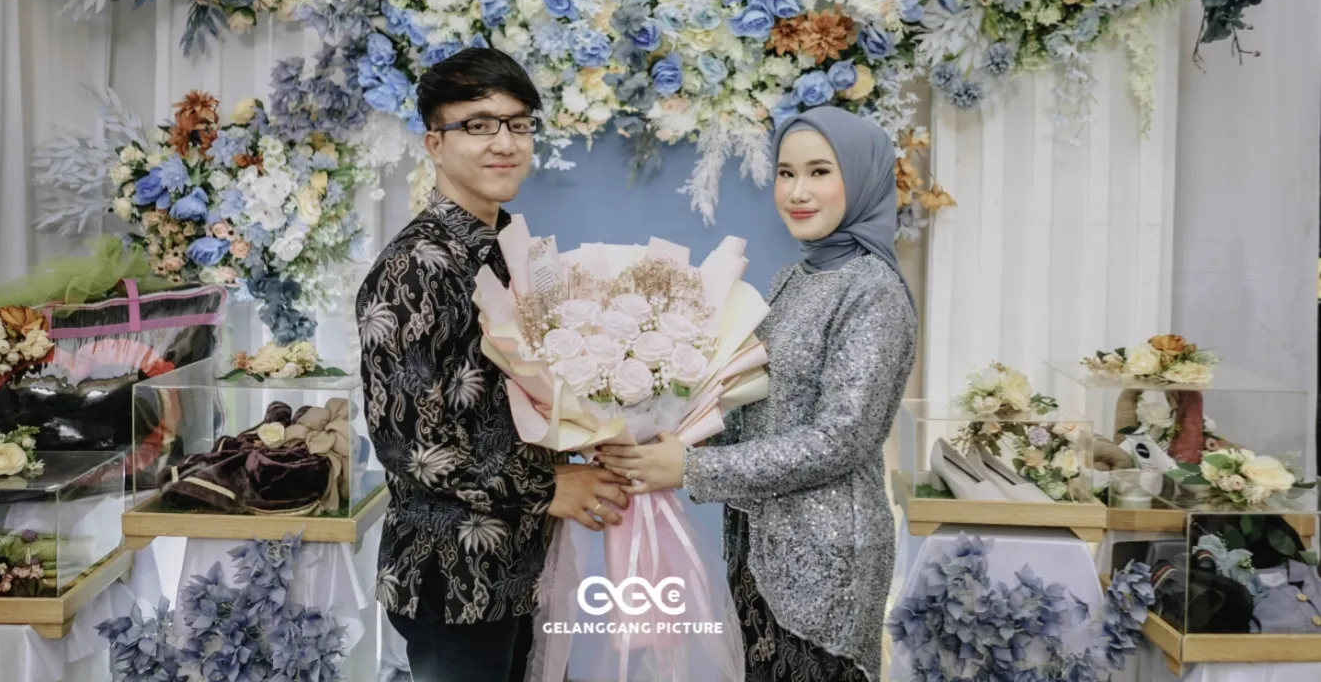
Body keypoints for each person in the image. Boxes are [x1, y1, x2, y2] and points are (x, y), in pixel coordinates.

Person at [596, 107, 918, 681]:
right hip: (759, 547)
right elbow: (760, 409)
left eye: (819, 172)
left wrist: (692, 467)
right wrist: (663, 431)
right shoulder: (794, 279)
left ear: (862, 177)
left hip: (827, 561)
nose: (797, 192)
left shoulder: (874, 292)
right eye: (786, 173)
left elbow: (840, 440)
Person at [355, 47, 630, 682]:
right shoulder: (415, 266)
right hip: (454, 573)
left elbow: (510, 402)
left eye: (519, 124)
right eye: (479, 125)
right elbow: (410, 444)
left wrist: (596, 432)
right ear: (435, 142)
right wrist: (549, 487)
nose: (505, 142)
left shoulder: (509, 249)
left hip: (520, 561)